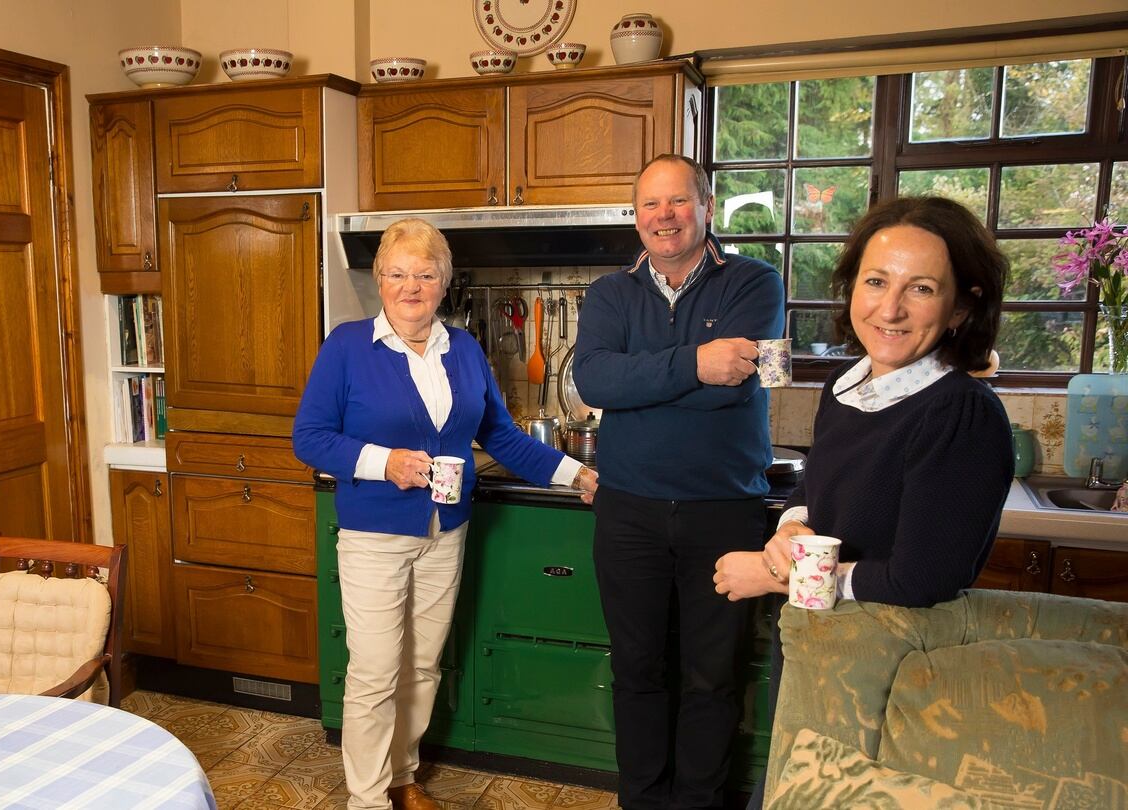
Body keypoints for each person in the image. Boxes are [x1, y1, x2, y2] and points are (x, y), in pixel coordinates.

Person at [712, 195, 1014, 809]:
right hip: (823, 646)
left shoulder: (959, 410)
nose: (891, 308)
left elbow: (921, 576)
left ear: (961, 306)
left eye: (922, 288)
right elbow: (813, 489)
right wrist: (788, 530)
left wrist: (774, 574)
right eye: (876, 281)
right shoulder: (847, 385)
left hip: (890, 671)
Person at [293, 217, 598, 810]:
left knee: (423, 667)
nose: (412, 285)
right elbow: (309, 438)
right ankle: (367, 798)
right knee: (376, 672)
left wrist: (574, 473)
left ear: (444, 283)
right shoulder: (348, 347)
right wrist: (385, 463)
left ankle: (402, 776)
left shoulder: (463, 349)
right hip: (374, 534)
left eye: (426, 274)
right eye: (399, 273)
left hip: (445, 532)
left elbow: (502, 437)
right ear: (380, 280)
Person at [573, 154, 785, 810]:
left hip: (723, 511)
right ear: (636, 217)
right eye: (649, 205)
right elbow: (593, 382)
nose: (663, 216)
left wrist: (640, 384)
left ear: (707, 205)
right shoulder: (610, 293)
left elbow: (742, 389)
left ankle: (694, 804)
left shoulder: (759, 283)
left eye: (678, 201)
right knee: (637, 671)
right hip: (628, 510)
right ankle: (640, 801)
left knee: (710, 677)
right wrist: (698, 362)